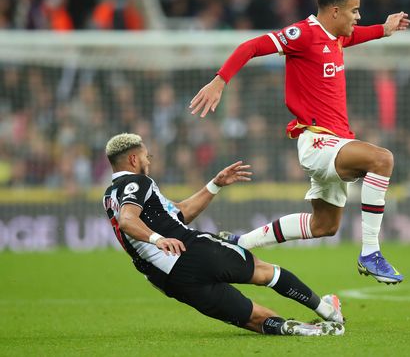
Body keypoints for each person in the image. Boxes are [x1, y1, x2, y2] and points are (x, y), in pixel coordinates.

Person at [189, 0, 410, 284]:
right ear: (335, 11)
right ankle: (371, 251)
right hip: (318, 142)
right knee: (382, 159)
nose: (358, 17)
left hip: (336, 142)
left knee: (324, 226)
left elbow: (355, 35)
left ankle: (240, 243)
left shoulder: (336, 37)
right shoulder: (303, 35)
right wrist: (220, 80)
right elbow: (251, 47)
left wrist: (383, 29)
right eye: (354, 11)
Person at [102, 133, 344, 336]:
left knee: (254, 318)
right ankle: (328, 311)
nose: (149, 161)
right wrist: (158, 239)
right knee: (265, 272)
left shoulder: (110, 195)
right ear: (133, 159)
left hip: (168, 279)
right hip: (191, 251)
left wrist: (215, 184)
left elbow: (180, 213)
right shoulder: (138, 182)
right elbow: (127, 220)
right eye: (146, 156)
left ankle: (299, 329)